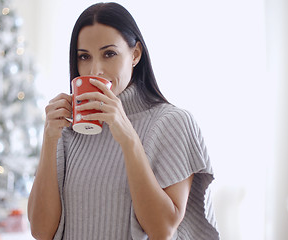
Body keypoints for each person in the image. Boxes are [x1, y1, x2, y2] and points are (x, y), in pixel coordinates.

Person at [27, 2, 219, 239]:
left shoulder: (173, 122)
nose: (95, 70)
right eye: (84, 57)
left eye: (109, 54)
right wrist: (50, 138)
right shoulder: (68, 127)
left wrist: (128, 138)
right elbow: (40, 230)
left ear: (135, 54)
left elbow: (162, 230)